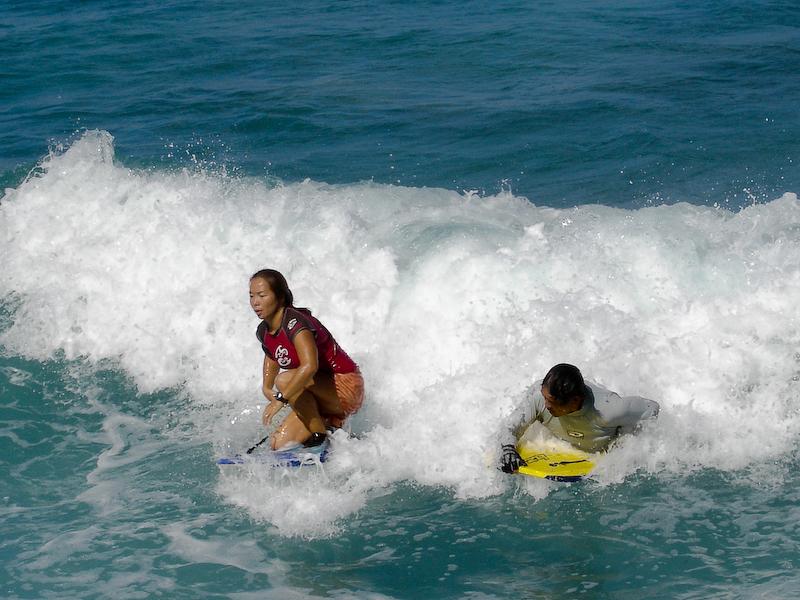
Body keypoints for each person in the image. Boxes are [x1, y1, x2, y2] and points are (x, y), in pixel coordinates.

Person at [249, 269, 364, 450]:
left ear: (280, 297)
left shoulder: (296, 323)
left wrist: (281, 399)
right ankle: (335, 432)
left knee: (285, 380)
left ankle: (319, 434)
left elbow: (310, 366)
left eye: (262, 295)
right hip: (317, 391)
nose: (255, 302)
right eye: (252, 296)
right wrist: (266, 386)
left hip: (345, 386)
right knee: (278, 444)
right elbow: (272, 354)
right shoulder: (263, 330)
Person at [499, 363, 659, 473]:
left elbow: (652, 408)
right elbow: (508, 427)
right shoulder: (539, 398)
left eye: (552, 402)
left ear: (575, 400)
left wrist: (625, 446)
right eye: (544, 397)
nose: (546, 405)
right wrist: (508, 450)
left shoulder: (608, 410)